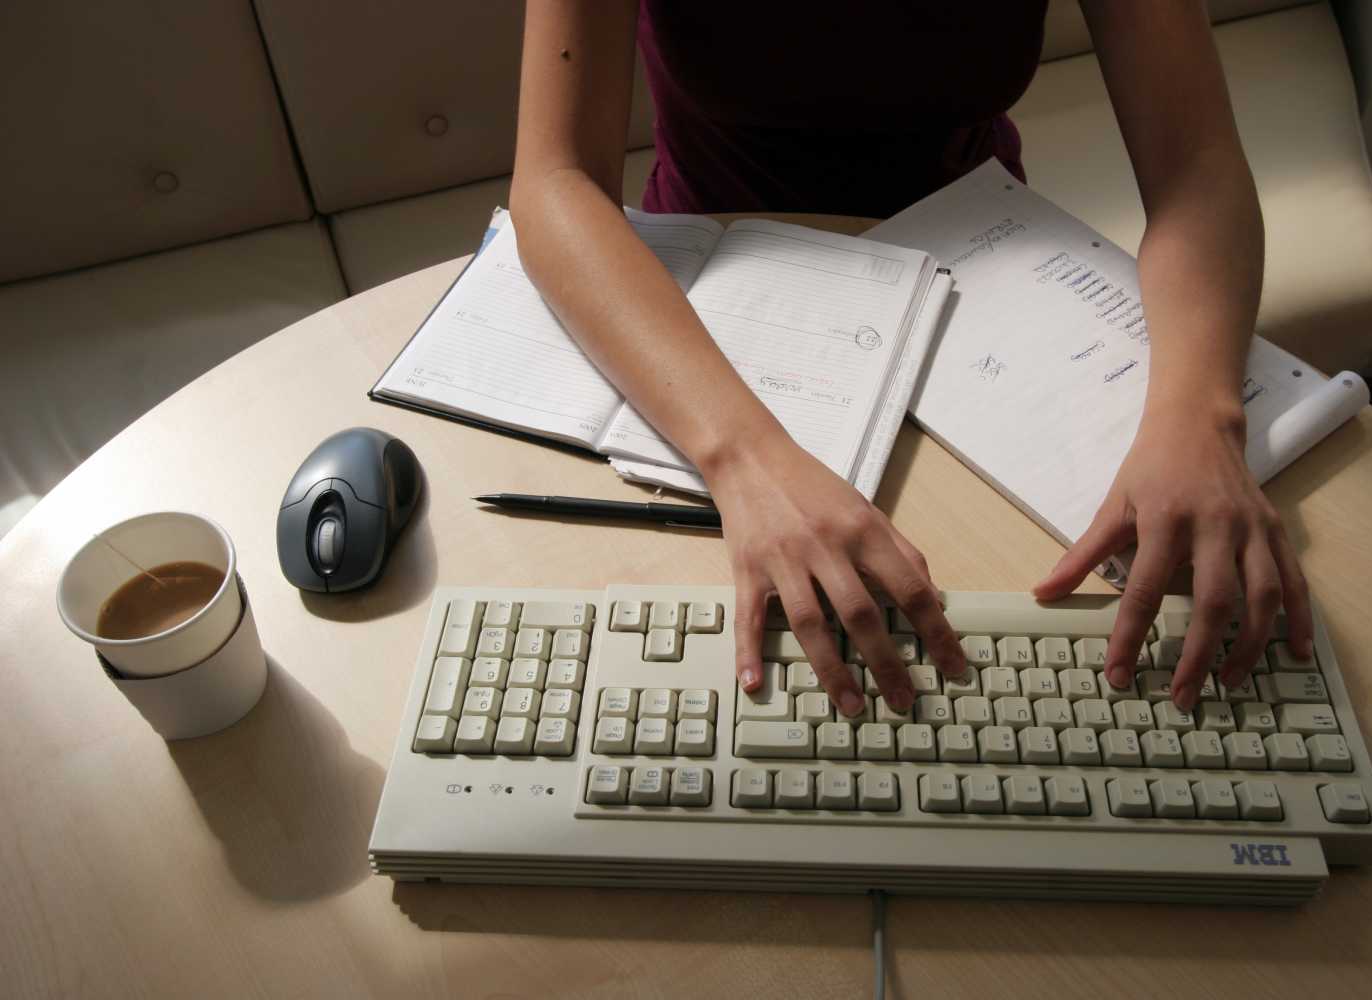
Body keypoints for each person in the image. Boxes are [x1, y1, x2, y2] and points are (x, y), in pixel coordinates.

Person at [509, 1, 1314, 721]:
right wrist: (743, 458)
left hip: (979, 284)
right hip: (720, 303)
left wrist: (1202, 413)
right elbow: (554, 180)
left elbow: (1197, 166)